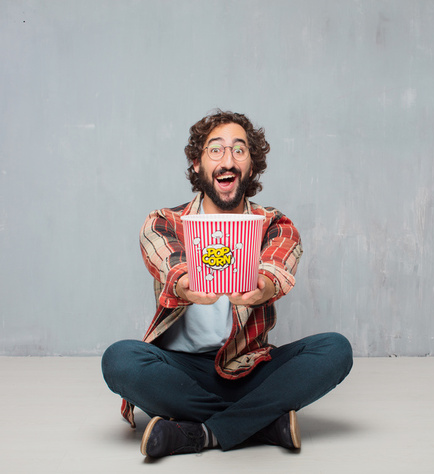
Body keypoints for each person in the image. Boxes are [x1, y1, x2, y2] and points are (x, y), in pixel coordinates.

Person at [101, 110, 353, 458]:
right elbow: (167, 260)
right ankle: (260, 423)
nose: (228, 160)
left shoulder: (273, 224)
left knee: (335, 350)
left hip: (249, 368)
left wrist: (262, 287)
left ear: (251, 166)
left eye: (239, 150)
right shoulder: (165, 222)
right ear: (196, 164)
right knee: (119, 360)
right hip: (179, 371)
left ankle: (202, 434)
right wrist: (188, 284)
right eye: (215, 150)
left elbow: (279, 265)